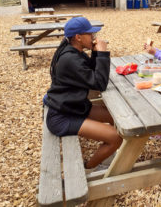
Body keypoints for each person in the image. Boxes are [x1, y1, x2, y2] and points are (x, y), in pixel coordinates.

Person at [43, 17, 122, 172]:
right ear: (78, 37)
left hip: (75, 107)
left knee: (118, 118)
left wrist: (95, 52)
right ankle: (89, 168)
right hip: (63, 116)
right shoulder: (70, 59)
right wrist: (103, 54)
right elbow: (99, 83)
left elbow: (91, 73)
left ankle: (107, 153)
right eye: (89, 34)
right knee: (116, 137)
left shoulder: (75, 52)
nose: (93, 37)